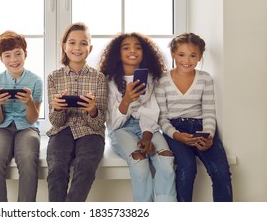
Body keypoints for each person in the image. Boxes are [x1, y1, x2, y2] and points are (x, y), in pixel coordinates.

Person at [99, 32, 177, 202]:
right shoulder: (109, 81)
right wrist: (126, 100)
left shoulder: (151, 78)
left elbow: (151, 111)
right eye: (126, 48)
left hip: (149, 128)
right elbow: (113, 124)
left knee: (166, 160)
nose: (132, 51)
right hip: (121, 130)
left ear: (145, 52)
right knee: (140, 163)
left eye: (138, 47)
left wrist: (147, 136)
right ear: (117, 54)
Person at [155, 32, 233, 202]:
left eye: (193, 55)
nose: (187, 60)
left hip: (202, 129)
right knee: (187, 167)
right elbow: (162, 118)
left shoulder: (205, 79)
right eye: (181, 54)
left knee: (221, 171)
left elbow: (209, 113)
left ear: (199, 57)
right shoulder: (162, 80)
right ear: (173, 54)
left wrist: (209, 136)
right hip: (174, 131)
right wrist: (177, 135)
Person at [46, 22, 108, 202]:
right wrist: (57, 108)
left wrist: (93, 110)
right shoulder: (54, 77)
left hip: (91, 132)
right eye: (72, 43)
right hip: (62, 130)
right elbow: (55, 122)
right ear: (64, 47)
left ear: (90, 48)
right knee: (57, 168)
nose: (77, 48)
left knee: (86, 168)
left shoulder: (98, 78)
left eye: (83, 43)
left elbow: (99, 122)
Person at [0, 31, 43, 202]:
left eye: (18, 54)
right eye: (7, 55)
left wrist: (29, 102)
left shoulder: (35, 81)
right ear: (1, 58)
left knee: (27, 159)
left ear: (25, 54)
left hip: (27, 127)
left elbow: (33, 119)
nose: (14, 59)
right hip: (1, 128)